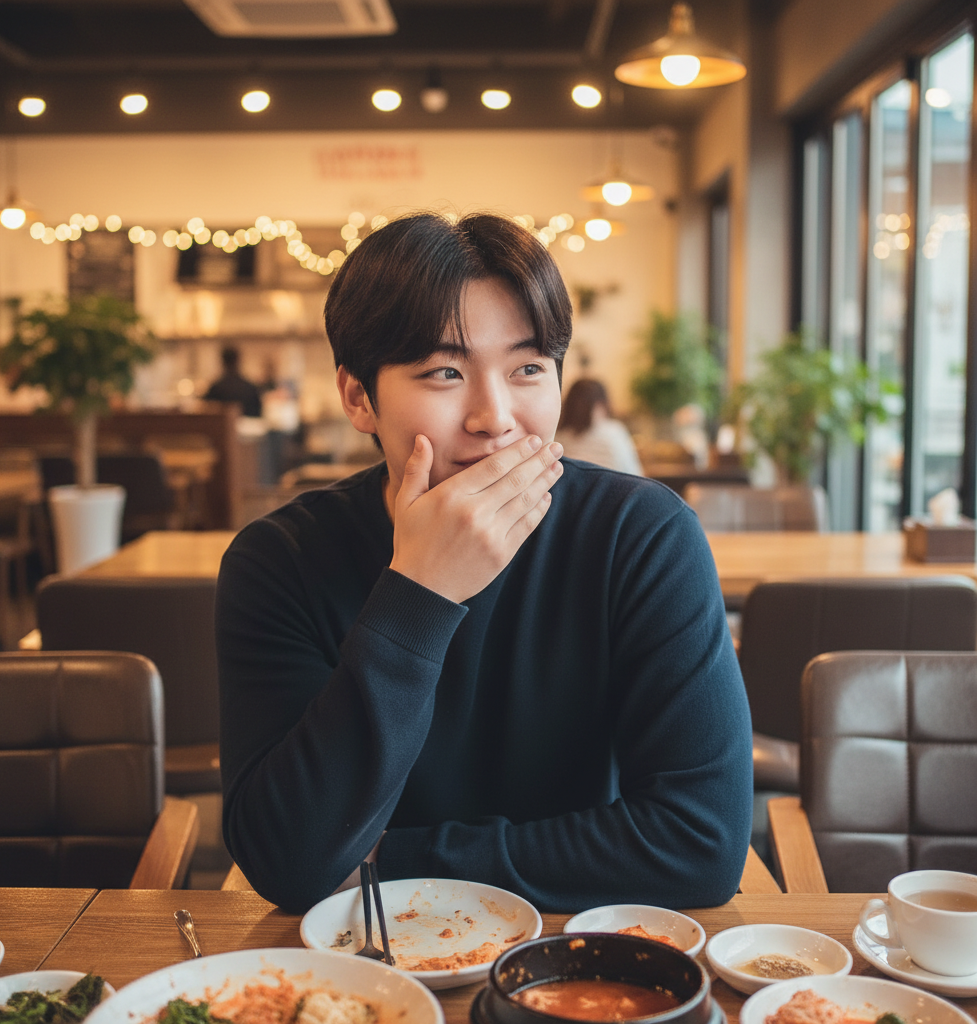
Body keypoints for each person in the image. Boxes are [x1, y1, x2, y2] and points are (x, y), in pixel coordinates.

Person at [215, 211, 753, 915]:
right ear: (358, 397)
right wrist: (419, 593)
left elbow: (701, 847)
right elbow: (288, 861)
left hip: (585, 961)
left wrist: (393, 862)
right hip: (360, 969)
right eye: (443, 372)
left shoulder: (640, 536)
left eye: (528, 368)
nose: (494, 416)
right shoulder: (281, 561)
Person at [556, 378, 643, 474]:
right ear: (600, 404)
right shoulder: (614, 432)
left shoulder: (558, 437)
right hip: (612, 487)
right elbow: (634, 473)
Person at [204, 345, 262, 417]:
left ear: (223, 362)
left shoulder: (216, 387)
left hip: (222, 427)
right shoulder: (250, 387)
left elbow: (207, 412)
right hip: (249, 427)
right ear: (238, 360)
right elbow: (258, 413)